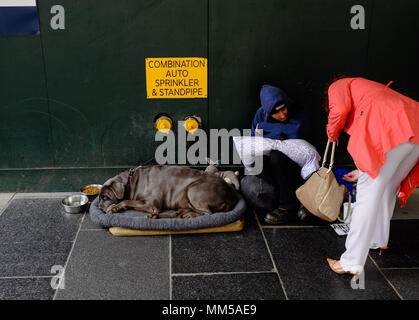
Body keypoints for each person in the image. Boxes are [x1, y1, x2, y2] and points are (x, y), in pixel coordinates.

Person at [324, 76, 419, 275]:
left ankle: (351, 262)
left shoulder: (339, 85)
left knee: (366, 198)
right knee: (388, 187)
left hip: (390, 130)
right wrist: (363, 172)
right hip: (414, 126)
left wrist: (332, 133)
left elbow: (339, 110)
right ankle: (378, 240)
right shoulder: (366, 87)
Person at [243, 84, 309, 224]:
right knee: (257, 161)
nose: (283, 114)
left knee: (276, 156)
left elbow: (296, 132)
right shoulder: (261, 114)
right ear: (268, 112)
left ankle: (287, 207)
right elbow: (255, 138)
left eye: (283, 108)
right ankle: (297, 200)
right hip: (273, 169)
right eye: (276, 113)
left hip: (296, 165)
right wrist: (281, 132)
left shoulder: (298, 109)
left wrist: (265, 128)